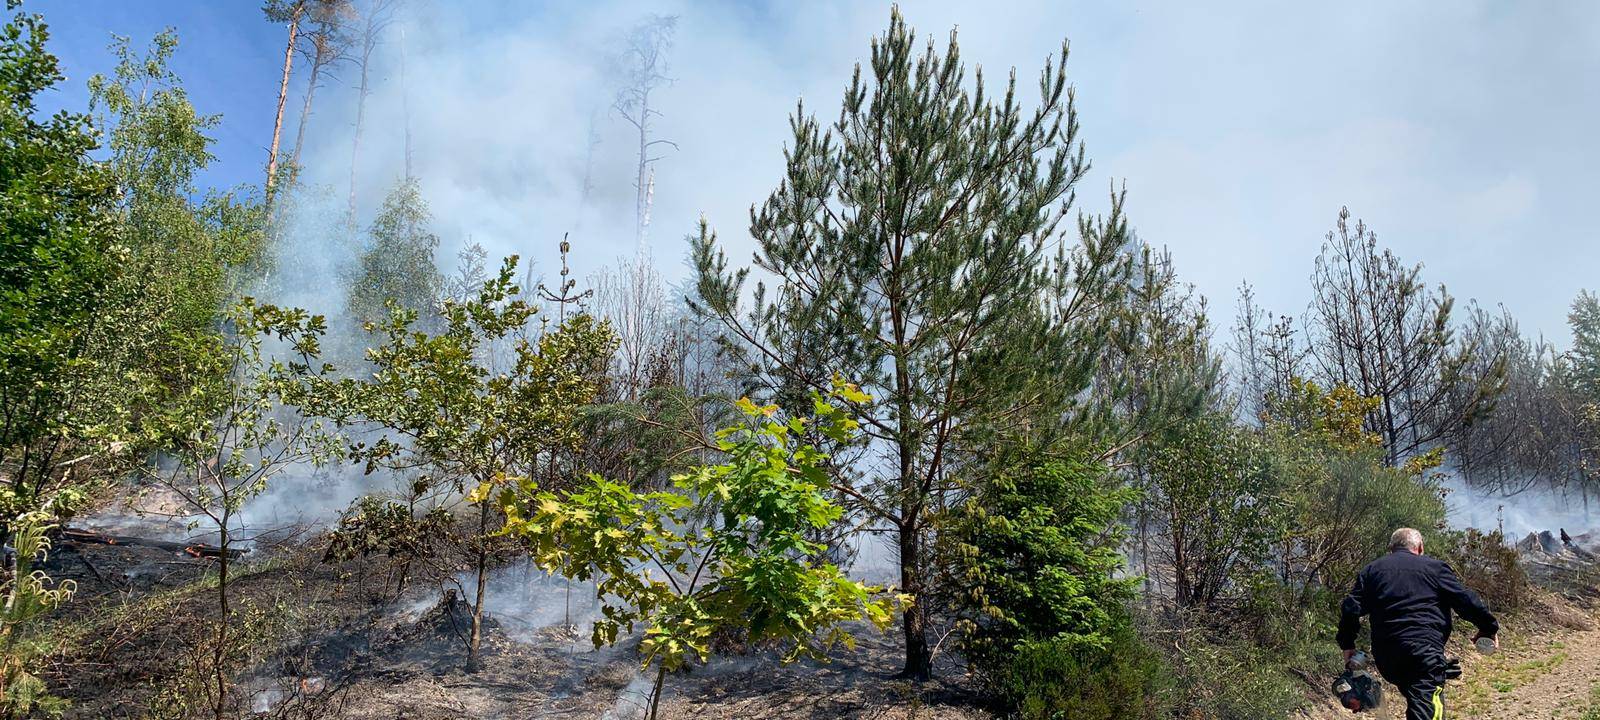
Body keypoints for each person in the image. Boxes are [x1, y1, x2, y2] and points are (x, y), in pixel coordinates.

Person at [1336, 528, 1499, 720]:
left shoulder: (1372, 571)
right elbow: (1465, 600)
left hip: (1388, 658)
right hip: (1423, 653)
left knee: (1419, 696)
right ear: (1420, 548)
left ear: (1391, 549)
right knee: (1426, 707)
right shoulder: (1435, 568)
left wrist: (1347, 644)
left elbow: (1350, 608)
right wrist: (1488, 628)